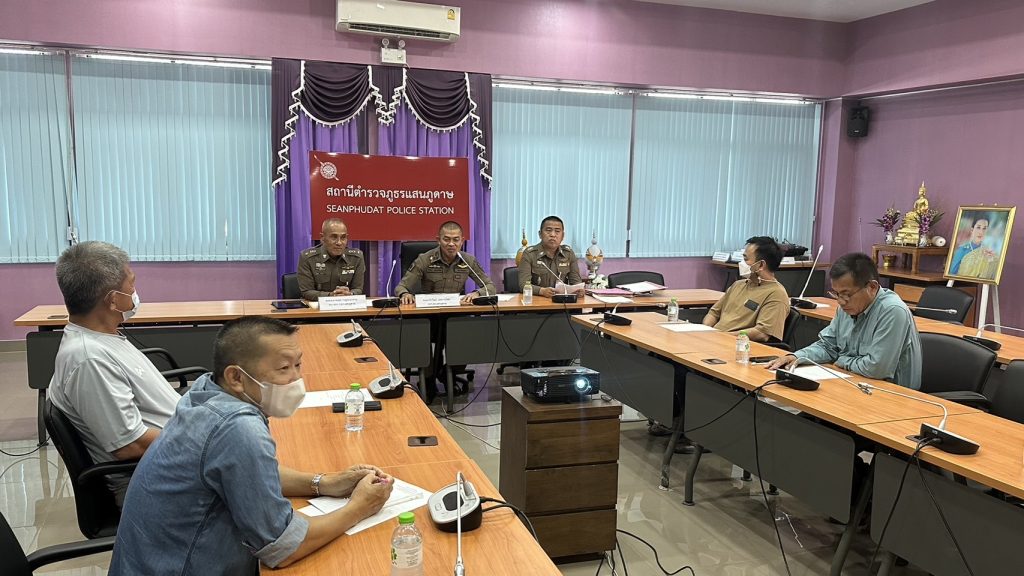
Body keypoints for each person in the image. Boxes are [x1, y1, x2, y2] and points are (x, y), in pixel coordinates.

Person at [110, 316, 393, 575]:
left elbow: (249, 473)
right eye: (283, 368)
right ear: (236, 377)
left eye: (298, 365)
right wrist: (360, 507)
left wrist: (324, 483)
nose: (296, 379)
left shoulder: (205, 391)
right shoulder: (237, 427)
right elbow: (283, 547)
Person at [48, 241, 183, 506]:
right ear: (113, 300)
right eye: (131, 284)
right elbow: (130, 445)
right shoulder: (89, 358)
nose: (135, 292)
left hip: (172, 454)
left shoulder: (103, 336)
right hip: (155, 480)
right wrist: (203, 437)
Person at [767, 252, 922, 389]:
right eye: (836, 294)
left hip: (892, 394)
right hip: (856, 383)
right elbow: (828, 346)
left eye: (846, 294)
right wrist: (796, 357)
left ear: (872, 287)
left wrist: (842, 360)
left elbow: (876, 369)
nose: (841, 301)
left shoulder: (892, 311)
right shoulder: (847, 307)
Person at [702, 236, 790, 343]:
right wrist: (705, 331)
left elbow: (762, 333)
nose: (741, 263)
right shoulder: (738, 285)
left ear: (761, 265)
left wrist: (722, 337)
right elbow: (713, 313)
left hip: (736, 345)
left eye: (746, 259)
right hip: (714, 339)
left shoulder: (776, 294)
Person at [395, 221, 496, 304]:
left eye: (456, 240)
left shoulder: (468, 260)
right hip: (429, 310)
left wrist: (477, 293)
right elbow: (401, 287)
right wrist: (405, 294)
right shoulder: (424, 259)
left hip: (456, 312)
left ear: (462, 241)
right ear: (438, 240)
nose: (451, 244)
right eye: (446, 239)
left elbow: (490, 286)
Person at [297, 218, 365, 300]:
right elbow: (306, 291)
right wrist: (331, 295)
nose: (339, 242)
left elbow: (358, 289)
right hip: (317, 306)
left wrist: (350, 293)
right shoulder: (308, 258)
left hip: (347, 304)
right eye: (334, 237)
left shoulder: (356, 258)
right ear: (322, 238)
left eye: (343, 237)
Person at [518, 216, 585, 297]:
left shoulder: (568, 254)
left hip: (561, 301)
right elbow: (523, 285)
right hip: (537, 301)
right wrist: (541, 291)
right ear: (540, 234)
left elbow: (576, 281)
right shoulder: (530, 254)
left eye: (557, 231)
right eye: (548, 230)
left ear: (563, 236)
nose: (553, 235)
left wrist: (579, 290)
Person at [949, 215, 999, 279]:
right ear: (972, 230)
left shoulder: (989, 252)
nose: (981, 232)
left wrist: (990, 260)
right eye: (978, 227)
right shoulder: (962, 249)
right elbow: (952, 273)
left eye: (984, 228)